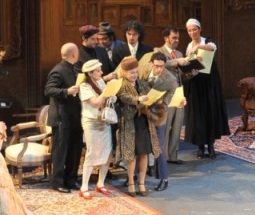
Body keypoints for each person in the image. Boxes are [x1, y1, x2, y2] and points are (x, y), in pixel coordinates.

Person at [114, 57, 164, 196]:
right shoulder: (120, 84)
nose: (134, 75)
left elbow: (150, 97)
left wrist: (157, 100)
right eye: (131, 73)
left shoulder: (142, 84)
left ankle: (142, 182)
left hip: (143, 122)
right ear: (124, 72)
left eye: (136, 72)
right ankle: (131, 182)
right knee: (131, 155)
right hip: (130, 123)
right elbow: (125, 97)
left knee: (144, 153)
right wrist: (138, 99)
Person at [182, 18, 229, 159]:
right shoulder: (188, 46)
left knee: (210, 112)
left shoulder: (206, 41)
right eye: (189, 30)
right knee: (198, 115)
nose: (192, 32)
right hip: (196, 83)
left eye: (194, 29)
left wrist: (198, 48)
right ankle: (201, 147)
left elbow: (212, 47)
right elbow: (188, 64)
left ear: (200, 29)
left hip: (209, 83)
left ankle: (211, 146)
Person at [43, 42, 82, 193]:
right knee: (61, 152)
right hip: (61, 118)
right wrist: (66, 91)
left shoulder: (74, 69)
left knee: (75, 150)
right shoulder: (58, 70)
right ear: (74, 54)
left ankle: (71, 179)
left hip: (74, 117)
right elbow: (48, 90)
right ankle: (58, 182)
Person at [78, 59, 114, 198]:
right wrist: (107, 91)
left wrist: (112, 96)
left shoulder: (101, 82)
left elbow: (106, 99)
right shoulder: (84, 86)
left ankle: (101, 184)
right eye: (98, 71)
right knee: (92, 153)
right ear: (90, 73)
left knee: (107, 153)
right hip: (92, 122)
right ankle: (84, 187)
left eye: (100, 70)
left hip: (104, 121)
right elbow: (95, 103)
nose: (101, 73)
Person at [143, 51, 177, 191]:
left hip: (158, 115)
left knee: (160, 148)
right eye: (156, 66)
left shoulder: (170, 79)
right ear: (151, 64)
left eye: (162, 66)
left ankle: (164, 179)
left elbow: (170, 97)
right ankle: (133, 177)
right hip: (141, 112)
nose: (159, 69)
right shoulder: (143, 70)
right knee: (139, 145)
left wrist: (162, 102)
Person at [156, 26, 188, 164]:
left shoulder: (179, 53)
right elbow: (162, 64)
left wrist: (192, 69)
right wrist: (177, 62)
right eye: (174, 38)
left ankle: (173, 155)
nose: (176, 40)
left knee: (177, 124)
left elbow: (181, 74)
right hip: (166, 93)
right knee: (166, 124)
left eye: (178, 38)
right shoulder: (158, 51)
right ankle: (162, 156)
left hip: (179, 92)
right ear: (166, 38)